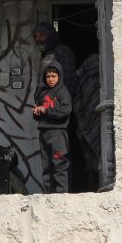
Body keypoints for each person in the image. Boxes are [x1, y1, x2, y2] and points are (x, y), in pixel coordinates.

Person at [32, 62, 72, 193]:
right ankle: (49, 194)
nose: (50, 79)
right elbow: (41, 114)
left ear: (59, 77)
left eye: (54, 76)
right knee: (46, 165)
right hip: (44, 132)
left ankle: (61, 194)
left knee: (59, 163)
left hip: (57, 133)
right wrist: (37, 113)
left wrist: (46, 110)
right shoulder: (43, 93)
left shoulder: (62, 91)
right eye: (48, 76)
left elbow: (66, 110)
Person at [32, 22, 78, 94]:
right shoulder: (45, 55)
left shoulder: (63, 52)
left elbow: (68, 83)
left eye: (42, 35)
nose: (38, 39)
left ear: (51, 36)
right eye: (35, 36)